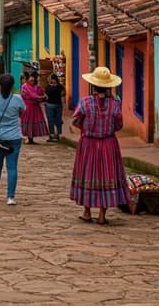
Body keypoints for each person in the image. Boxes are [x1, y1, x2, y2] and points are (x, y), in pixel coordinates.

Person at [69, 67, 129, 224]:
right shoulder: (115, 104)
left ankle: (87, 211)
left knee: (88, 175)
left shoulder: (85, 102)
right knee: (107, 175)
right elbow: (119, 125)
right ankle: (102, 215)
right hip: (108, 144)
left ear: (93, 86)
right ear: (108, 87)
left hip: (88, 144)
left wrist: (86, 128)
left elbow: (75, 121)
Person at [0, 74, 25, 205]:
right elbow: (22, 112)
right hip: (14, 137)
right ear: (13, 86)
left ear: (0, 85)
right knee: (12, 167)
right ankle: (10, 197)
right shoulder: (18, 99)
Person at [19, 71, 49, 144]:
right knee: (28, 122)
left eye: (33, 78)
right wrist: (39, 97)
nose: (32, 79)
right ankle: (28, 138)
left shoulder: (37, 87)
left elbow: (42, 94)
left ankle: (31, 138)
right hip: (28, 107)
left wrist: (43, 97)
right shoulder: (24, 86)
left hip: (35, 107)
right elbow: (28, 95)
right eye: (30, 78)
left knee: (34, 123)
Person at [43, 73, 65, 142]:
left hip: (58, 105)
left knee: (58, 120)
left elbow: (61, 94)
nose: (52, 81)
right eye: (51, 79)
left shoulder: (60, 87)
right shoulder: (48, 87)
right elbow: (46, 94)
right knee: (50, 120)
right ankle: (51, 134)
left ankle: (58, 134)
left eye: (52, 79)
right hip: (49, 105)